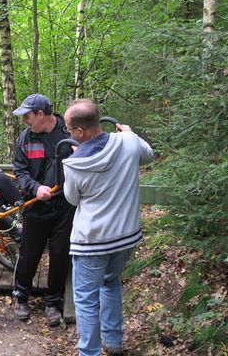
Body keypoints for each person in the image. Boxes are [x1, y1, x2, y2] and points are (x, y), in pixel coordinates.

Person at [62, 99, 154, 356]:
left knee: (86, 299)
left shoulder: (74, 163)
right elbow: (148, 155)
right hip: (125, 237)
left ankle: (88, 352)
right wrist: (130, 133)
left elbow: (72, 199)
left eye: (70, 130)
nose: (70, 134)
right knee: (110, 283)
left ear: (80, 132)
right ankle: (113, 343)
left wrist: (72, 161)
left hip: (91, 241)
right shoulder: (129, 142)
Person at [11, 94, 76, 327]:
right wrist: (36, 188)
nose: (25, 121)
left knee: (60, 254)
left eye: (27, 116)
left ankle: (53, 302)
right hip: (35, 206)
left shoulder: (70, 134)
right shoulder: (24, 139)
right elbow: (19, 171)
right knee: (29, 254)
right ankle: (20, 297)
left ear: (41, 114)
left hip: (66, 206)